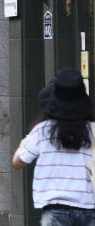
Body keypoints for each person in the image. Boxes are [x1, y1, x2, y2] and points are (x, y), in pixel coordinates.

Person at [13, 69, 95, 223]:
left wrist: (23, 143)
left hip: (55, 210)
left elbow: (18, 162)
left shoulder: (43, 131)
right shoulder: (92, 130)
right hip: (89, 207)